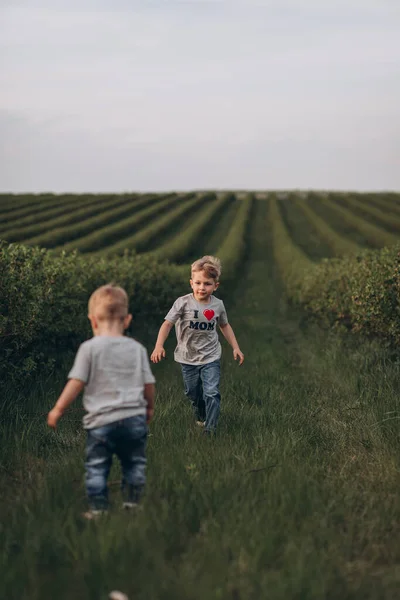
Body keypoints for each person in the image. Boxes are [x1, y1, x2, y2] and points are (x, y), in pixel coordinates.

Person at [47, 284, 155, 519]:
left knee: (97, 466)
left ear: (93, 321)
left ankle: (99, 509)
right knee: (134, 464)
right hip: (133, 419)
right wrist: (150, 408)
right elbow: (148, 384)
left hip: (101, 422)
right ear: (127, 320)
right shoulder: (137, 348)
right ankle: (132, 505)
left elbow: (76, 382)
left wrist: (58, 409)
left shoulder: (89, 349)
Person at [150, 255, 244, 434]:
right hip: (187, 356)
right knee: (192, 393)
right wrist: (158, 346)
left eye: (207, 284)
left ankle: (211, 430)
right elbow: (167, 324)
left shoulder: (218, 305)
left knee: (212, 392)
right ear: (191, 283)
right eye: (198, 283)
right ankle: (200, 414)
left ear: (215, 286)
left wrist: (235, 347)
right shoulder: (182, 303)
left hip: (211, 356)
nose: (202, 287)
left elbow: (224, 325)